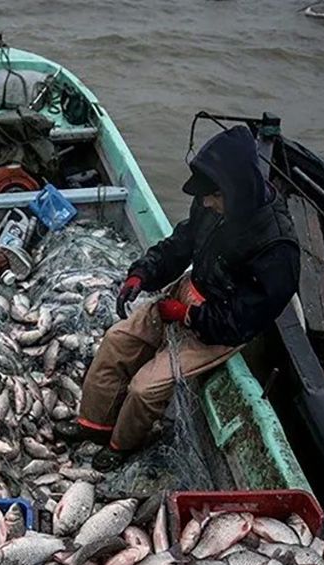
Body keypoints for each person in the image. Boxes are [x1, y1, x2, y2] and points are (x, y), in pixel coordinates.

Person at [54, 127, 300, 471]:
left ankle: (121, 445)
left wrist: (188, 315)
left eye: (212, 197)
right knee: (116, 341)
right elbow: (181, 243)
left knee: (145, 388)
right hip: (187, 291)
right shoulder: (212, 205)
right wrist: (143, 273)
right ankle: (92, 426)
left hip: (219, 326)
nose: (205, 203)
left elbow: (244, 320)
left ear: (234, 191)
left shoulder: (277, 245)